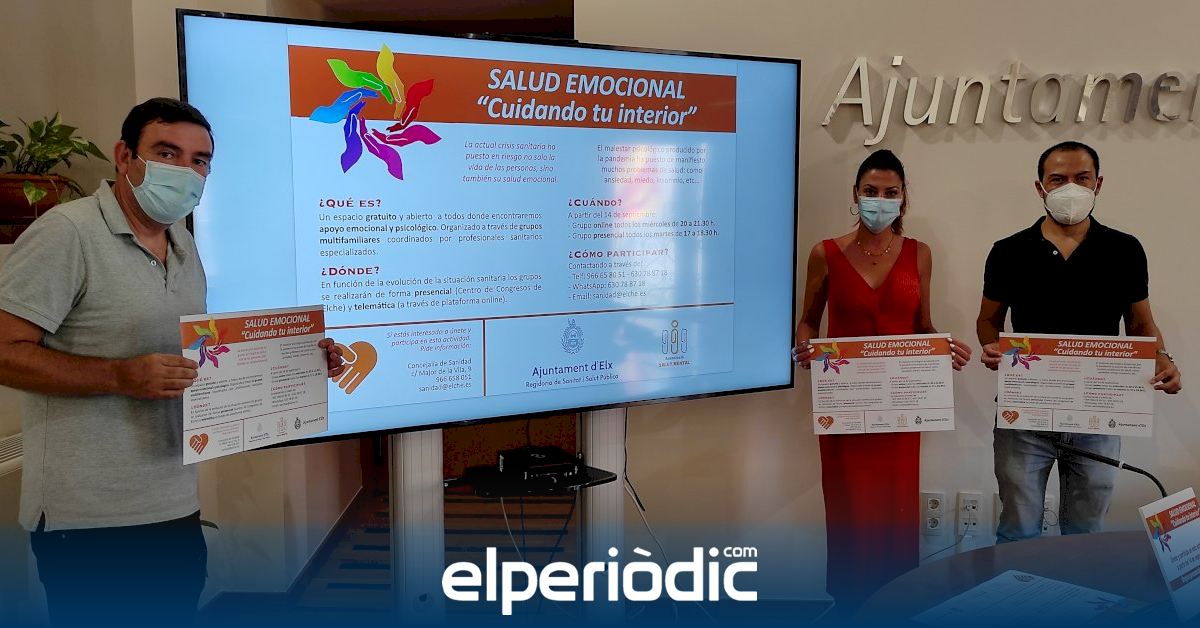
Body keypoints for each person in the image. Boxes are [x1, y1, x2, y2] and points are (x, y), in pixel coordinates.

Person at [0, 98, 345, 626]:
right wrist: (117, 376)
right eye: (167, 153)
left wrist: (302, 363)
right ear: (124, 156)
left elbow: (203, 355)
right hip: (89, 519)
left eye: (199, 160)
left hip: (173, 503)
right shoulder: (67, 233)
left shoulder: (182, 243)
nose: (186, 170)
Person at [977, 140, 1182, 544]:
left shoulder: (1124, 250)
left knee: (1086, 534)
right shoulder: (1008, 251)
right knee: (1018, 529)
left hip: (1098, 413)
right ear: (1040, 187)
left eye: (1081, 178)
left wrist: (1162, 358)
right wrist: (992, 346)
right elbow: (988, 321)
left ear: (1097, 184)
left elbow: (1141, 324)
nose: (1070, 187)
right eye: (1058, 179)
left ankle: (1077, 588)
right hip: (1026, 413)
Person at [793, 149, 971, 613]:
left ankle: (895, 601)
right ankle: (848, 603)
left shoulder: (919, 254)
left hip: (900, 409)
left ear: (903, 198)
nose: (880, 200)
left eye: (890, 193)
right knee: (848, 506)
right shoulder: (825, 253)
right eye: (871, 191)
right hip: (845, 408)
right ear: (855, 194)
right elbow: (808, 320)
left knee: (896, 505)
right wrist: (804, 348)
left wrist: (945, 347)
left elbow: (923, 326)